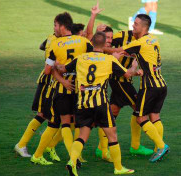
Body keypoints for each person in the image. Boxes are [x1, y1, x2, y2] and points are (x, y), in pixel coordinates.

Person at [57, 32, 136, 175]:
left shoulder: (80, 58)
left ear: (91, 42)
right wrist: (134, 64)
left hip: (83, 104)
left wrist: (56, 63)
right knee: (112, 136)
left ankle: (72, 161)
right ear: (105, 43)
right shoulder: (108, 60)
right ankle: (118, 168)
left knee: (82, 136)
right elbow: (127, 74)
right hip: (101, 104)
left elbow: (63, 69)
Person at [30, 11, 93, 165]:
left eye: (56, 25)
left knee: (62, 123)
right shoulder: (83, 42)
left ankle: (68, 156)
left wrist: (61, 75)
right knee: (75, 123)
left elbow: (47, 71)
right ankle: (74, 156)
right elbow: (92, 60)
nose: (55, 28)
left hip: (61, 90)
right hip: (78, 89)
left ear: (63, 26)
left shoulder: (55, 44)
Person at [104, 14, 169, 162]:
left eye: (136, 24)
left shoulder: (140, 43)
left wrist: (99, 47)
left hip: (149, 87)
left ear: (144, 27)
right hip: (161, 84)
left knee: (140, 117)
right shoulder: (153, 39)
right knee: (153, 116)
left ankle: (161, 146)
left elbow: (119, 50)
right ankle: (145, 147)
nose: (133, 26)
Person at [94, 25, 154, 162]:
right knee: (141, 111)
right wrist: (133, 69)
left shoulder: (143, 41)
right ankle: (143, 146)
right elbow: (97, 43)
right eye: (107, 37)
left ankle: (101, 149)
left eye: (110, 37)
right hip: (120, 82)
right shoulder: (120, 37)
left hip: (123, 80)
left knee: (112, 114)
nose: (110, 39)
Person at [14, 33, 57, 158]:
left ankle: (46, 141)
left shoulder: (51, 37)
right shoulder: (59, 41)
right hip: (47, 81)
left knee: (55, 115)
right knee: (43, 114)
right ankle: (22, 144)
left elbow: (41, 46)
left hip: (52, 81)